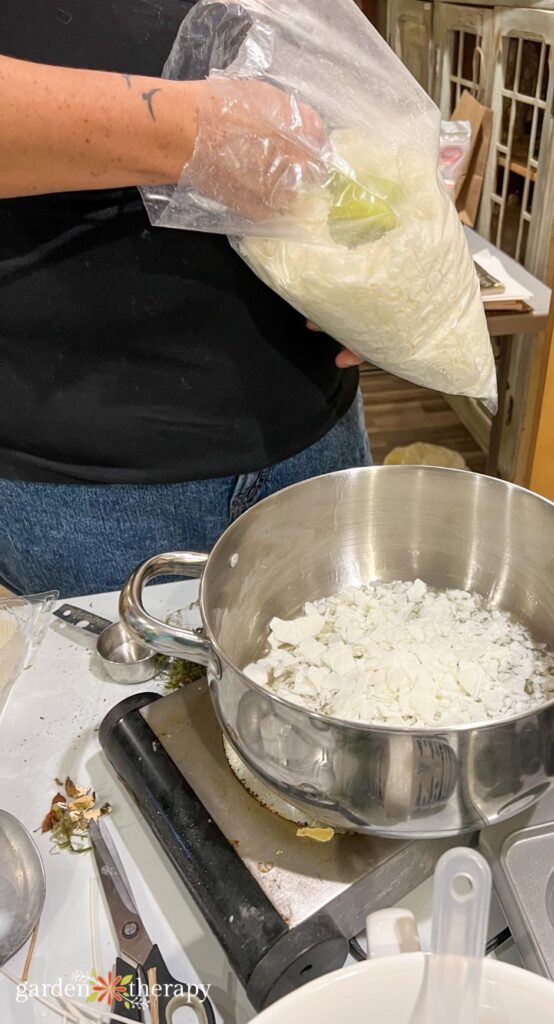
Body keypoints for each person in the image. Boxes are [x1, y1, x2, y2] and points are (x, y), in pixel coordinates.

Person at [0, 2, 370, 599]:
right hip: (88, 484)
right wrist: (192, 133)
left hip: (318, 424)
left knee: (344, 673)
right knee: (135, 694)